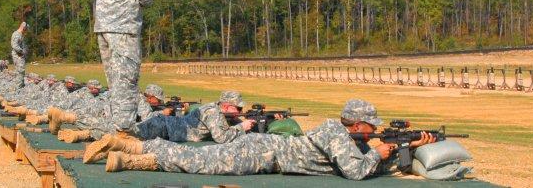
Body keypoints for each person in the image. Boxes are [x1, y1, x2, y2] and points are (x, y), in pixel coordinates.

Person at [90, 99, 437, 180]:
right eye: (369, 127)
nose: (371, 132)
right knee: (198, 161)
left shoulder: (348, 137)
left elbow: (360, 160)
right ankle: (132, 147)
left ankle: (129, 152)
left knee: (196, 157)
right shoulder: (335, 132)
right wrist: (381, 151)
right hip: (263, 153)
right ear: (358, 123)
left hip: (264, 150)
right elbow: (354, 171)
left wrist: (400, 148)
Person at [94, 0, 156, 135]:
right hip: (124, 29)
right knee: (127, 83)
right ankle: (124, 134)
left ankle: (114, 130)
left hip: (103, 28)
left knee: (115, 84)